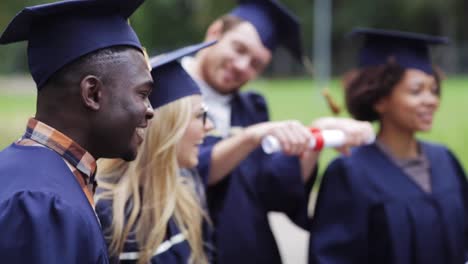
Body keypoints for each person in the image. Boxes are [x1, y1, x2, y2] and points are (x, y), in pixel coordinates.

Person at [181, 0, 375, 263]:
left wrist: (315, 137)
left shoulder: (250, 109)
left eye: (256, 64)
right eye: (239, 49)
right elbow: (190, 171)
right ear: (215, 32)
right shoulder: (161, 91)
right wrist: (251, 137)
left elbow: (275, 189)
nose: (242, 66)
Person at [0, 0, 153, 263]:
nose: (150, 110)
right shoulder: (44, 204)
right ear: (92, 93)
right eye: (143, 94)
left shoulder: (25, 172)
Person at [309, 28, 468, 264]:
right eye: (416, 91)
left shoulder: (445, 160)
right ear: (380, 99)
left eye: (434, 90)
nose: (431, 100)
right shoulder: (350, 173)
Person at [95, 42, 215, 264]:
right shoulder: (106, 213)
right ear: (168, 128)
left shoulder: (186, 190)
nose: (210, 127)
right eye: (200, 116)